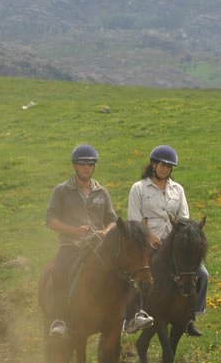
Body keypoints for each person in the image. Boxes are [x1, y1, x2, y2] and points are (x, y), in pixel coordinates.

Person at [45, 144, 153, 339]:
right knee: (60, 270)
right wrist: (74, 231)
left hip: (98, 247)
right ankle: (60, 319)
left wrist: (106, 231)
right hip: (71, 245)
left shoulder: (102, 192)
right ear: (74, 166)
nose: (86, 168)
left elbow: (112, 219)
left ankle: (133, 315)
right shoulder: (61, 190)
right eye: (82, 164)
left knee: (125, 271)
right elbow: (50, 220)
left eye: (90, 165)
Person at [127, 144, 209, 337]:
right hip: (149, 243)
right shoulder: (138, 189)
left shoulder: (177, 190)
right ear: (153, 165)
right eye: (162, 165)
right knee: (136, 276)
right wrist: (149, 236)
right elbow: (134, 219)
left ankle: (191, 316)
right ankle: (134, 314)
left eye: (168, 166)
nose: (165, 169)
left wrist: (177, 239)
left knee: (202, 274)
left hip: (173, 244)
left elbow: (184, 219)